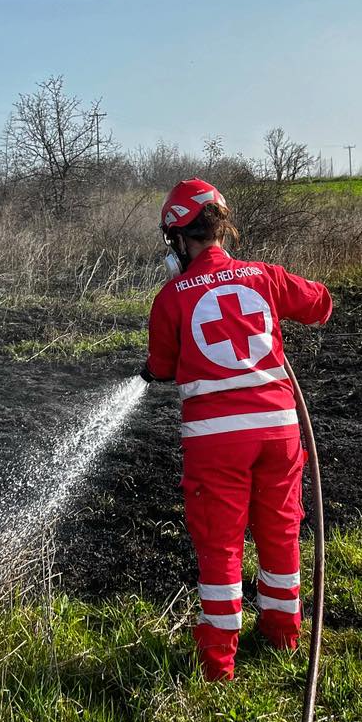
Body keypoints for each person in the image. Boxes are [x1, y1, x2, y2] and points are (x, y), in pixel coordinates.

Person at [142, 178, 332, 681]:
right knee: (280, 530)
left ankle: (218, 663)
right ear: (221, 228)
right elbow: (320, 303)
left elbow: (161, 367)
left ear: (179, 239)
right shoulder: (263, 277)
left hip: (216, 443)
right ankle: (282, 634)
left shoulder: (171, 297)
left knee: (220, 544)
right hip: (279, 433)